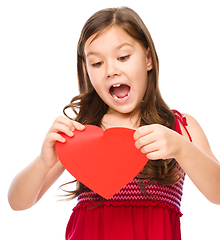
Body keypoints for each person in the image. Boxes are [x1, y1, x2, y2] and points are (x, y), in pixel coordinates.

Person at [8, 7, 220, 240]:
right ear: (87, 70)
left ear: (148, 59)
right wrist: (42, 162)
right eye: (97, 63)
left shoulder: (181, 127)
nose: (111, 70)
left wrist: (181, 148)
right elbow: (17, 202)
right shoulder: (79, 133)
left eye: (123, 57)